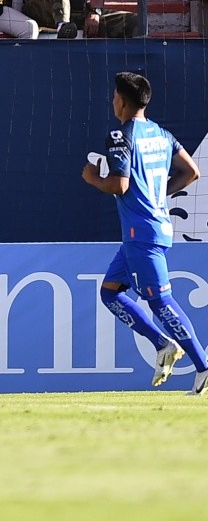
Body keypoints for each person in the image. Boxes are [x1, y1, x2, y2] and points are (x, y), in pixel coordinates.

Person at [82, 71, 208, 395]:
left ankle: (204, 366)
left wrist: (93, 177)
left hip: (142, 234)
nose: (112, 100)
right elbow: (191, 172)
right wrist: (158, 195)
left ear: (122, 101)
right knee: (110, 292)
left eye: (114, 96)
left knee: (161, 302)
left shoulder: (120, 136)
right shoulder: (162, 135)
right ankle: (162, 344)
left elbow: (120, 185)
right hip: (149, 230)